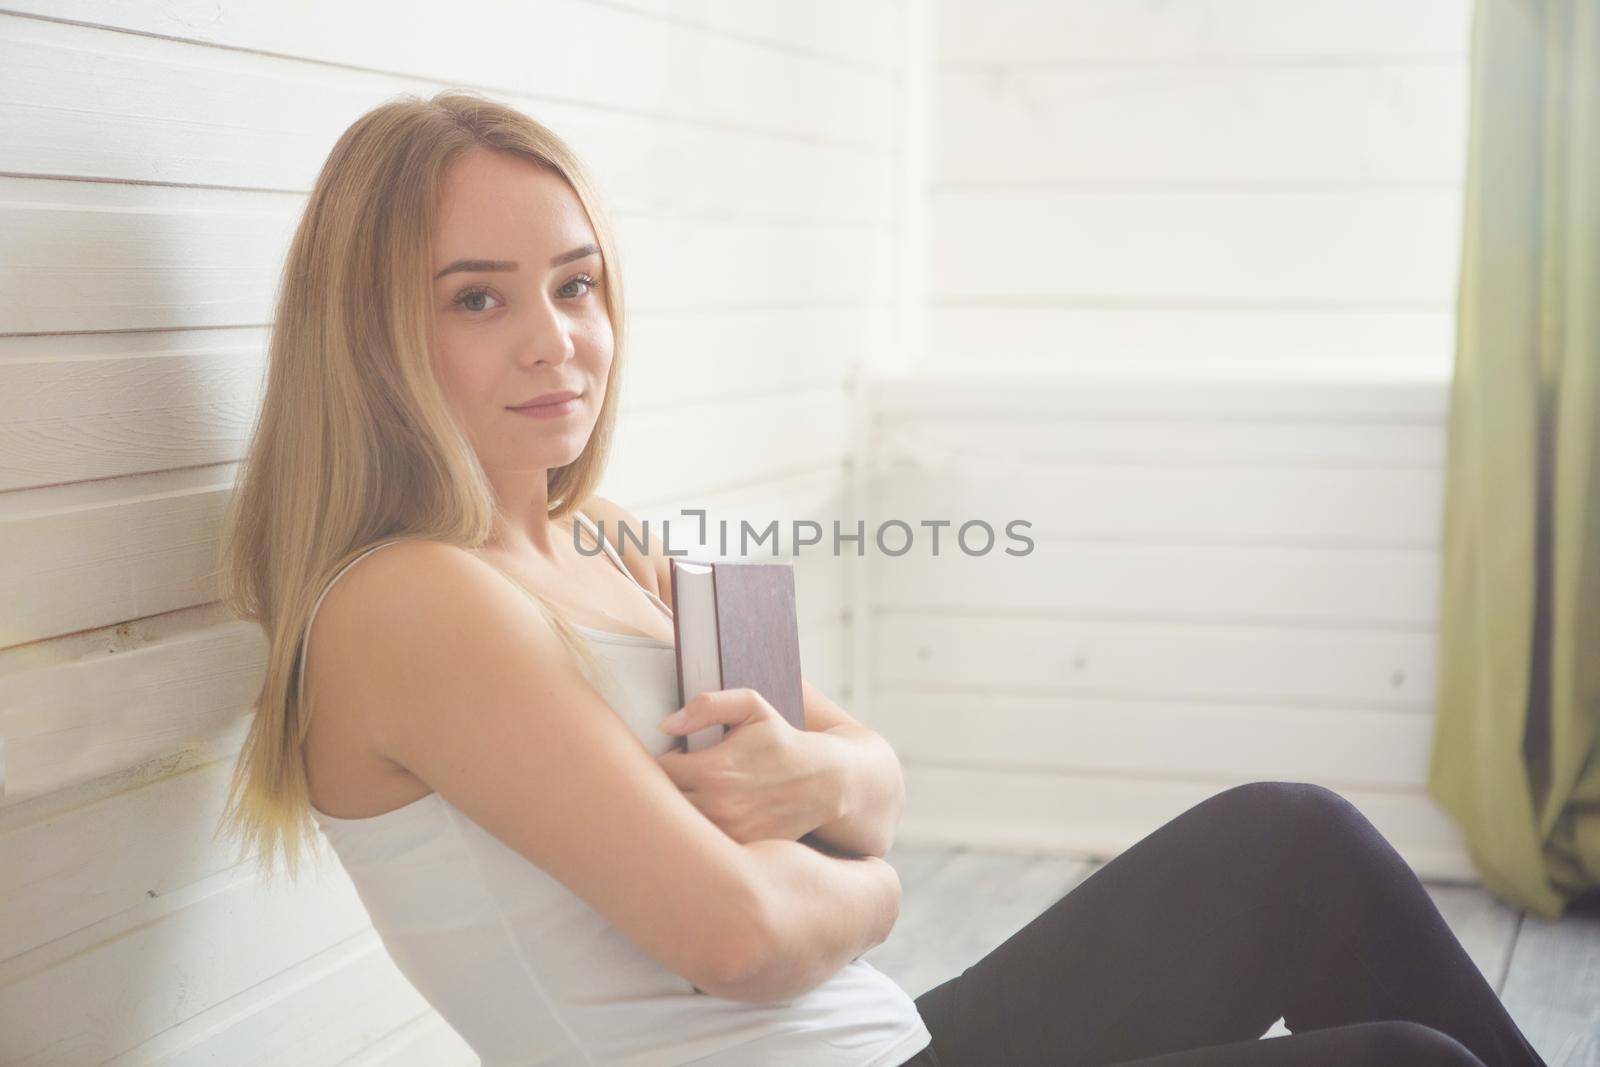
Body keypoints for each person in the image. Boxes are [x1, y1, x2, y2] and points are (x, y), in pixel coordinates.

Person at [214, 91, 1548, 1067]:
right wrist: (875, 888)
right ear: (374, 331)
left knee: (1292, 838)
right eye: (477, 300)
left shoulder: (606, 539)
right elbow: (737, 936)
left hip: (888, 1044)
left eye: (577, 285)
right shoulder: (410, 601)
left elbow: (863, 781)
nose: (557, 341)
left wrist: (839, 796)